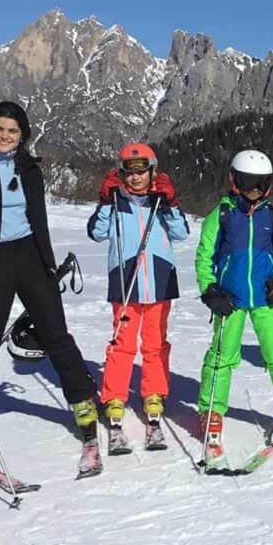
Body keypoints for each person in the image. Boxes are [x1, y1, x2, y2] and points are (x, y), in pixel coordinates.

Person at [0, 101, 99, 461]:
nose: (5, 136)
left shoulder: (29, 168)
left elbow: (36, 218)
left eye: (12, 131)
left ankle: (82, 399)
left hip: (31, 257)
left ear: (22, 135)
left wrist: (48, 263)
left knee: (56, 333)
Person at [195, 149, 273, 460]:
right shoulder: (223, 214)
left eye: (260, 184)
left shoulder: (272, 215)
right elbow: (205, 256)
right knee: (222, 354)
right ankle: (211, 409)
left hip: (265, 299)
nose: (253, 191)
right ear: (234, 181)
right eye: (247, 183)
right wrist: (210, 289)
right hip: (229, 300)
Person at [87, 143, 189, 448]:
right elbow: (97, 232)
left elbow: (182, 233)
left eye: (141, 172)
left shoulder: (160, 202)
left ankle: (153, 393)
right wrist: (105, 201)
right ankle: (115, 397)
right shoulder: (117, 203)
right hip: (125, 282)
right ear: (121, 174)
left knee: (155, 344)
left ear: (152, 172)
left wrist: (171, 202)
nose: (135, 179)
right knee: (122, 344)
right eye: (129, 173)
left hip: (159, 281)